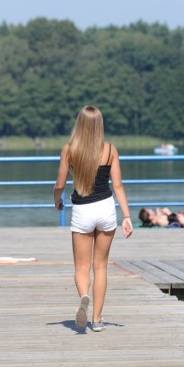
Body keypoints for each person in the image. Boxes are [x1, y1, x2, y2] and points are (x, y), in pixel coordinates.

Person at [54, 105, 133, 332]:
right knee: (101, 267)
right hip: (106, 209)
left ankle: (84, 297)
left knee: (82, 268)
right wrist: (126, 216)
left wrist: (56, 199)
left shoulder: (69, 150)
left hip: (83, 210)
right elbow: (117, 185)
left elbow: (59, 185)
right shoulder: (110, 150)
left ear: (79, 123)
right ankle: (97, 320)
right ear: (99, 125)